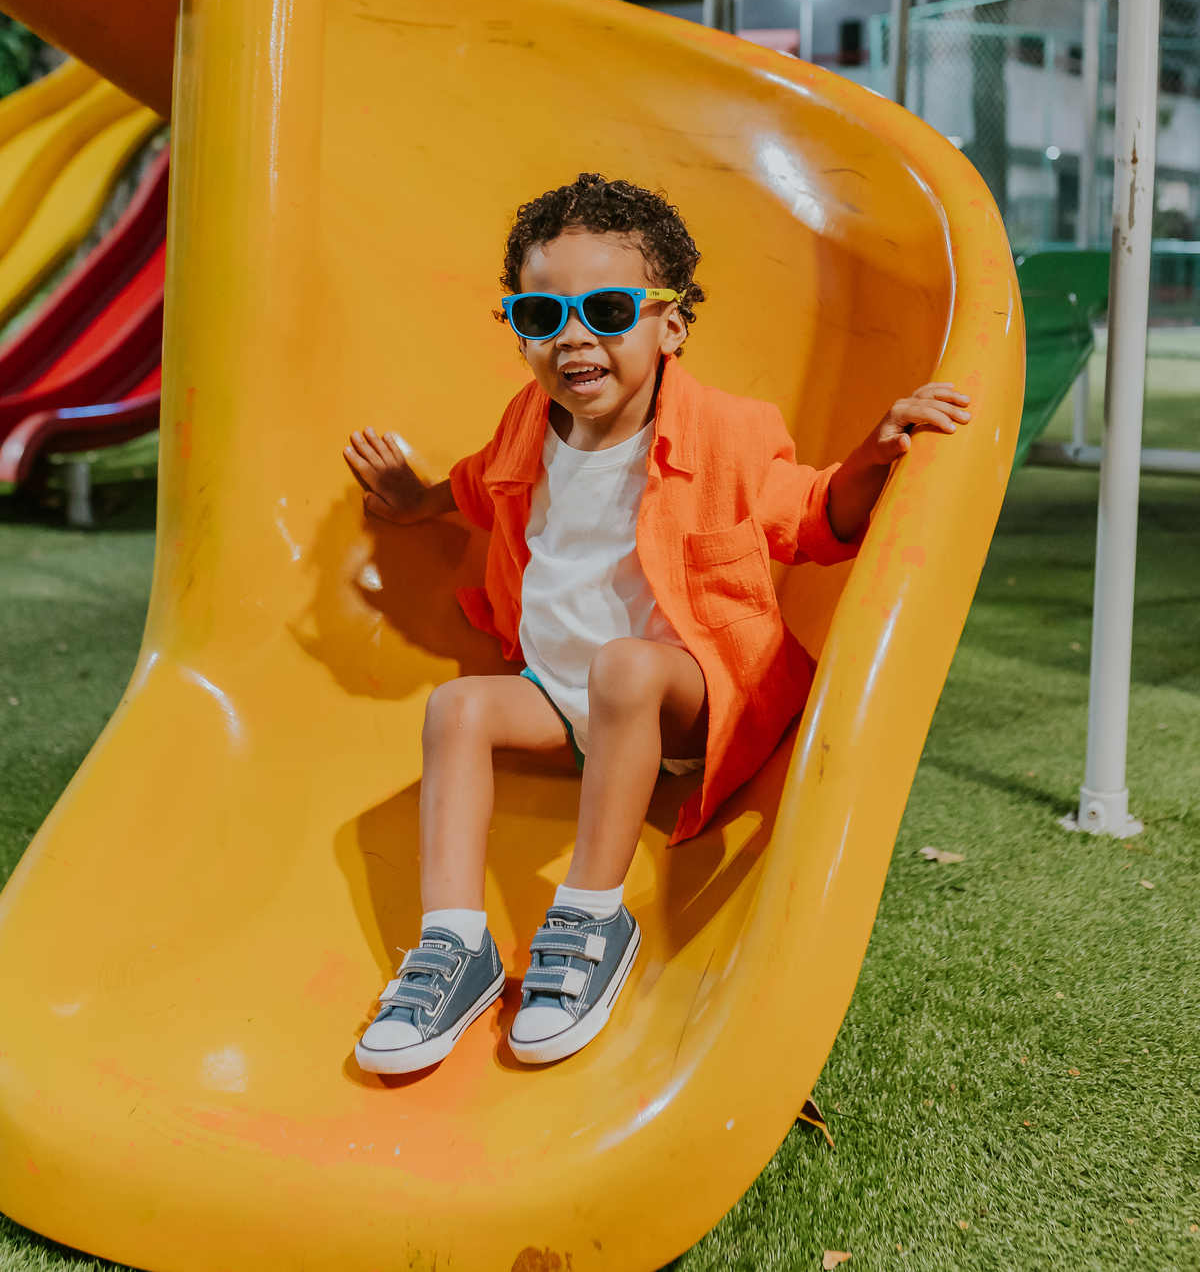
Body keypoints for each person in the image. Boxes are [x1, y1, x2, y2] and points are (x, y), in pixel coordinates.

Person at [344, 173, 970, 1074]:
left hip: (683, 694)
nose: (573, 338)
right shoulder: (529, 424)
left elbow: (812, 517)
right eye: (539, 315)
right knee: (457, 712)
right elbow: (479, 489)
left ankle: (589, 915)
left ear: (670, 324)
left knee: (627, 669)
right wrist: (411, 502)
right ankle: (455, 944)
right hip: (563, 698)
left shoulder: (727, 432)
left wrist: (874, 455)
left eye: (605, 309)